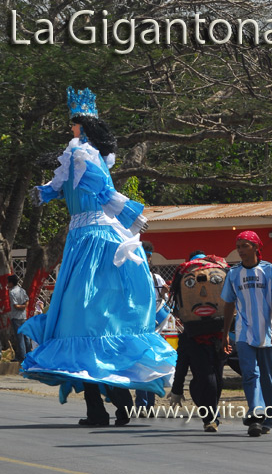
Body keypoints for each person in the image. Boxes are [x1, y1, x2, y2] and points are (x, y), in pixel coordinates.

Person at [19, 86, 176, 423]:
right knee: (82, 324)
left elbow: (102, 191)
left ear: (83, 128)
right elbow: (59, 187)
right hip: (84, 240)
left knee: (84, 323)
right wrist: (42, 192)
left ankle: (109, 405)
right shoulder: (78, 156)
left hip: (94, 241)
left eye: (75, 125)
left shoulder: (82, 153)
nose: (71, 131)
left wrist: (128, 213)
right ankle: (103, 407)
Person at [221, 230, 272, 437]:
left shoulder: (268, 271)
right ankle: (255, 413)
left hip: (267, 333)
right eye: (238, 246)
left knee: (267, 377)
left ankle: (268, 417)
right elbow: (229, 305)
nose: (240, 250)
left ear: (256, 248)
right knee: (250, 374)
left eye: (244, 246)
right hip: (243, 333)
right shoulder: (233, 274)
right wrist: (224, 335)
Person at [168, 254, 229, 432]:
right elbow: (181, 364)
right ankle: (210, 418)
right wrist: (177, 389)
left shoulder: (224, 332)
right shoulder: (185, 278)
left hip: (217, 336)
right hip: (193, 338)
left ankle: (211, 413)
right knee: (207, 379)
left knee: (216, 379)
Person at [135, 241, 170, 417]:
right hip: (139, 330)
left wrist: (165, 293)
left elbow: (166, 299)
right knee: (142, 366)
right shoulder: (132, 276)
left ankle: (149, 404)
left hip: (154, 331)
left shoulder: (156, 278)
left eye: (148, 256)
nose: (146, 259)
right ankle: (142, 404)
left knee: (151, 366)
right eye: (144, 255)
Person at [7, 274, 31, 363]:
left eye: (8, 283)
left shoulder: (12, 292)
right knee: (26, 337)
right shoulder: (22, 290)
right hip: (23, 316)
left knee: (20, 337)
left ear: (11, 283)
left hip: (16, 317)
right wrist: (25, 306)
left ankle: (22, 356)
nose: (7, 285)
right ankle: (28, 354)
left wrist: (21, 307)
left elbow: (16, 305)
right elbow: (27, 300)